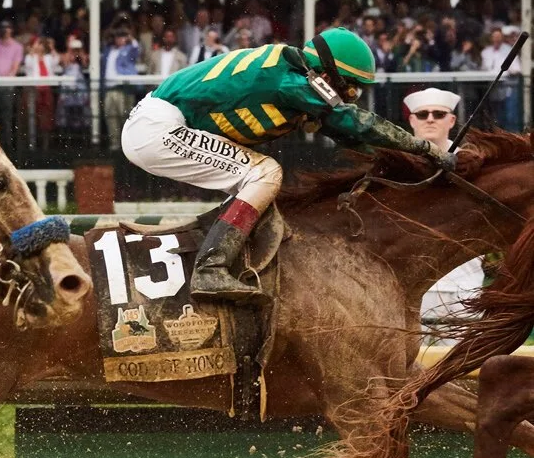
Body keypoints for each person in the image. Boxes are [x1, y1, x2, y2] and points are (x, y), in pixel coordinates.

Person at [121, 27, 453, 304]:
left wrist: (407, 160)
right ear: (326, 73)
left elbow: (346, 132)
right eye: (348, 85)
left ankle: (228, 262)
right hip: (159, 129)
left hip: (156, 124)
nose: (351, 95)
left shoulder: (292, 72)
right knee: (264, 173)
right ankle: (210, 270)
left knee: (253, 184)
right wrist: (420, 147)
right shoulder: (291, 82)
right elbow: (352, 121)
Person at [404, 87, 484, 322]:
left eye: (438, 114)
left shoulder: (475, 165)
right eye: (422, 114)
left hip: (464, 285)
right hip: (410, 286)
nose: (430, 119)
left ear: (451, 120)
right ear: (411, 120)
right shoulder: (395, 164)